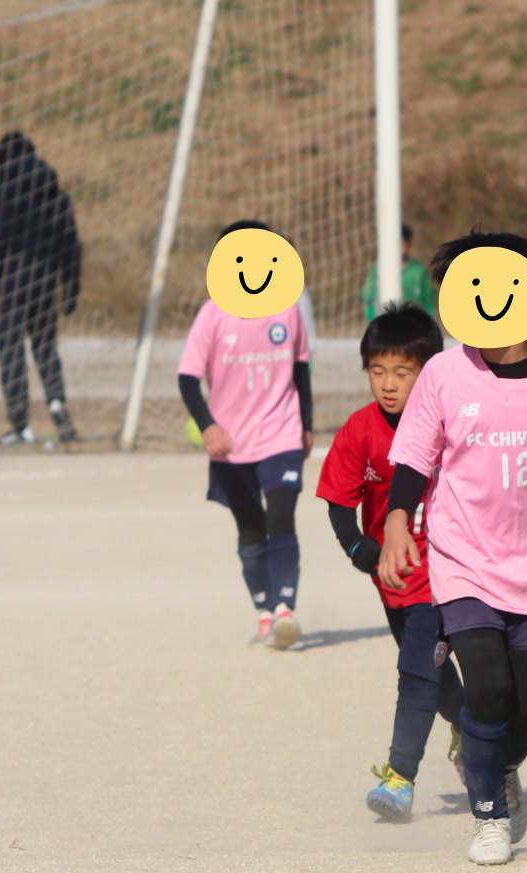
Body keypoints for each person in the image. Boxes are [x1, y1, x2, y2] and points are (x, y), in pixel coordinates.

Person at [380, 231, 527, 866]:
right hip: (463, 560)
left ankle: (491, 764)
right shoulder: (444, 373)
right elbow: (414, 457)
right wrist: (397, 521)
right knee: (488, 692)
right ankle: (489, 818)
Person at [317, 303, 463, 819]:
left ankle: (399, 778)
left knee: (416, 672)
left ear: (431, 371)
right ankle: (476, 734)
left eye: (403, 372)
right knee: (431, 673)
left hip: (448, 572)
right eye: (377, 371)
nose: (388, 384)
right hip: (392, 576)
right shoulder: (360, 428)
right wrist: (357, 546)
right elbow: (339, 499)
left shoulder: (454, 420)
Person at [180, 218, 314, 649]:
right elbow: (187, 378)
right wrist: (208, 426)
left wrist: (306, 424)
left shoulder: (287, 309)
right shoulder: (211, 315)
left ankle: (284, 610)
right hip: (231, 445)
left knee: (281, 518)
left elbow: (301, 371)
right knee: (251, 530)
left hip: (281, 434)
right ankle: (264, 609)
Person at [0, 131, 82, 446]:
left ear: (5, 159)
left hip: (10, 283)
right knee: (46, 348)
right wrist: (71, 287)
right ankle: (56, 402)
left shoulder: (7, 192)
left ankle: (21, 425)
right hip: (46, 282)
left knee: (11, 354)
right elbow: (71, 245)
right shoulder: (58, 195)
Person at [360, 224, 439, 321]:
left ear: (410, 244)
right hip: (386, 324)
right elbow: (368, 301)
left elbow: (429, 301)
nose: (396, 248)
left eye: (401, 244)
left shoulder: (418, 270)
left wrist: (426, 322)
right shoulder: (379, 270)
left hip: (414, 323)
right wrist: (373, 321)